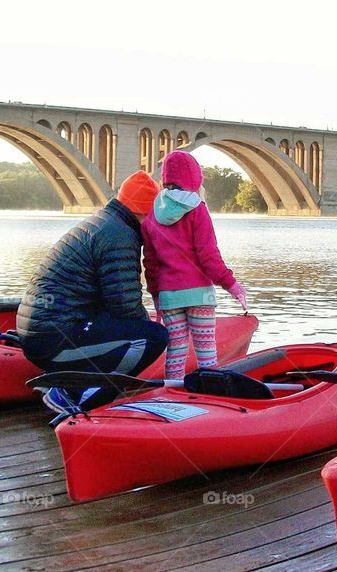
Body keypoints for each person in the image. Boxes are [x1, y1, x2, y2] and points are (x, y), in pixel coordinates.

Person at [17, 170, 169, 416]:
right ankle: (73, 394)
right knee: (154, 338)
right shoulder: (120, 236)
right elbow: (125, 305)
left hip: (41, 332)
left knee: (132, 330)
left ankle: (60, 379)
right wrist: (147, 329)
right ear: (144, 212)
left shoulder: (103, 222)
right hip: (53, 340)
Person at [141, 150, 247, 383]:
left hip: (169, 296)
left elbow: (150, 263)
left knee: (176, 352)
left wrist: (156, 295)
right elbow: (208, 256)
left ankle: (172, 393)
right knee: (206, 352)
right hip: (199, 295)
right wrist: (232, 285)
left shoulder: (151, 216)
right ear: (193, 177)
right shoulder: (198, 209)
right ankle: (209, 391)